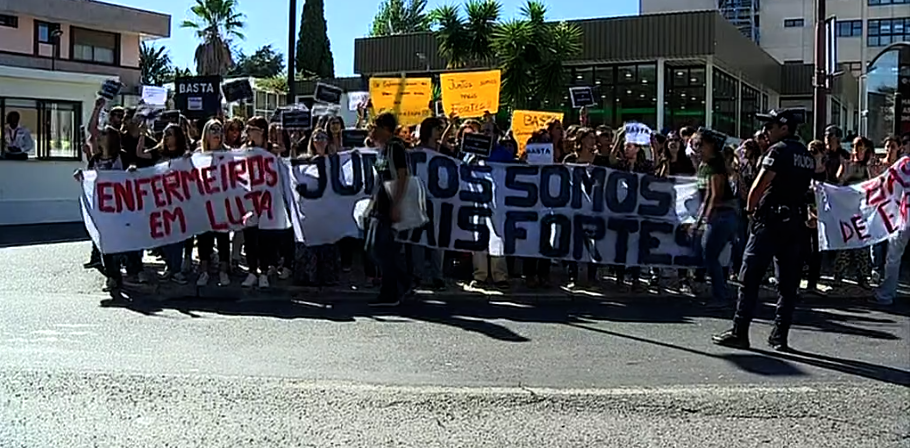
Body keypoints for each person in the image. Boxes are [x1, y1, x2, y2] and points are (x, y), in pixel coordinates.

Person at [713, 108, 815, 351]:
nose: (766, 131)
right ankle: (779, 337)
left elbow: (761, 184)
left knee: (749, 278)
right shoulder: (806, 155)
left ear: (784, 127)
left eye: (770, 126)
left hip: (769, 223)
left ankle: (740, 333)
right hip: (795, 225)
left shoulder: (778, 151)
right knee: (788, 284)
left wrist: (750, 210)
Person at [135, 123, 192, 284]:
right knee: (164, 237)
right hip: (160, 202)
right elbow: (140, 153)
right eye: (165, 134)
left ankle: (176, 269)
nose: (166, 137)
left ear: (177, 137)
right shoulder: (158, 152)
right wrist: (142, 135)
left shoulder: (183, 155)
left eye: (170, 134)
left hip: (178, 202)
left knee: (178, 237)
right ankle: (170, 266)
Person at [366, 112, 412, 306]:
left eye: (376, 126)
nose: (373, 129)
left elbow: (402, 177)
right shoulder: (384, 148)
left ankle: (391, 292)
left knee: (381, 249)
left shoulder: (395, 148)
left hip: (388, 205)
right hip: (379, 204)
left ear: (386, 128)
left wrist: (396, 204)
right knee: (375, 248)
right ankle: (404, 283)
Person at [872, 131, 910, 305]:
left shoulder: (904, 164)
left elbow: (887, 186)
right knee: (893, 256)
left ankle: (886, 295)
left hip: (904, 218)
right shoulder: (903, 164)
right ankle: (886, 294)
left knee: (893, 257)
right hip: (904, 217)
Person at [195, 119, 233, 287]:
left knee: (223, 237)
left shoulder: (229, 154)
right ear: (206, 134)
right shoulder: (198, 154)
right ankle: (204, 271)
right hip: (204, 204)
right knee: (204, 238)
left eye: (219, 130)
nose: (217, 133)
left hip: (223, 202)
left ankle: (224, 270)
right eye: (213, 130)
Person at [410, 117, 447, 290]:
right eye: (437, 128)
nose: (439, 131)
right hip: (418, 199)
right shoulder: (415, 150)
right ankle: (417, 274)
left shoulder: (443, 150)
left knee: (437, 239)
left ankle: (437, 276)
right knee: (417, 239)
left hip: (438, 201)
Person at [833, 136, 874, 289]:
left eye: (860, 146)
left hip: (862, 212)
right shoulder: (846, 164)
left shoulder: (868, 167)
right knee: (844, 245)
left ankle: (863, 277)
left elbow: (874, 184)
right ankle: (839, 276)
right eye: (854, 146)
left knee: (862, 247)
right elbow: (838, 184)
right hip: (847, 211)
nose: (856, 149)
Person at [803, 140, 828, 295]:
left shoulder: (825, 171)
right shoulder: (805, 170)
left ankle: (812, 282)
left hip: (820, 214)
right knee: (802, 249)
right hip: (805, 212)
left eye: (816, 151)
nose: (812, 154)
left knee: (817, 250)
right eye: (810, 151)